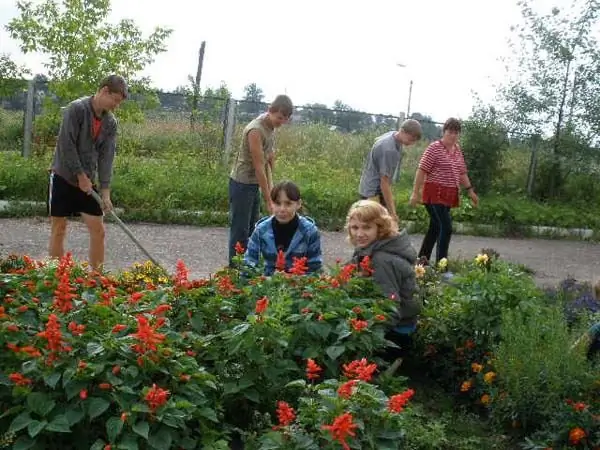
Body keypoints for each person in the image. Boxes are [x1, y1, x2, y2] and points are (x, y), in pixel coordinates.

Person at [48, 74, 128, 270]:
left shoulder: (110, 123)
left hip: (87, 184)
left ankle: (96, 279)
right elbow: (67, 146)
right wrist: (80, 176)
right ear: (104, 91)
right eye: (115, 100)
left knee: (98, 230)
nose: (116, 106)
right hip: (63, 177)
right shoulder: (76, 109)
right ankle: (56, 277)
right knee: (59, 228)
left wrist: (105, 191)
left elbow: (106, 157)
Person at [345, 199, 421, 372]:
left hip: (396, 332)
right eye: (355, 228)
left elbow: (391, 306)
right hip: (389, 322)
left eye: (366, 227)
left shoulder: (381, 259)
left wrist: (367, 335)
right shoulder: (370, 248)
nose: (359, 233)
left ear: (380, 227)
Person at [228, 95, 294, 266]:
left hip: (254, 183)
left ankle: (248, 265)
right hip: (242, 183)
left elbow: (269, 155)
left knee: (252, 227)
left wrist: (274, 187)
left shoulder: (271, 126)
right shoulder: (255, 130)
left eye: (286, 119)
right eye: (280, 117)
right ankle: (234, 269)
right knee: (240, 230)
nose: (282, 121)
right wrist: (269, 199)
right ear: (270, 110)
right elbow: (258, 167)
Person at [409, 117, 478, 265]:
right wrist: (415, 192)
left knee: (435, 227)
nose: (453, 135)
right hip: (434, 193)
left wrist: (470, 191)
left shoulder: (457, 150)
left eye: (456, 132)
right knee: (445, 227)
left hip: (449, 194)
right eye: (450, 131)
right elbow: (421, 170)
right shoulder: (434, 148)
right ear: (444, 131)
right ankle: (442, 266)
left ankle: (421, 261)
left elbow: (462, 172)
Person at [243, 181, 322, 276]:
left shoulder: (310, 232)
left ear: (298, 204)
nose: (282, 209)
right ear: (271, 204)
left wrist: (293, 280)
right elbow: (248, 265)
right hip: (265, 286)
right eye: (277, 203)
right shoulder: (261, 231)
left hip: (299, 287)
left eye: (288, 204)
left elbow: (315, 270)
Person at [358, 119, 423, 224]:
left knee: (377, 228)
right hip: (373, 193)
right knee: (376, 228)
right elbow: (384, 182)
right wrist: (392, 212)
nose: (411, 143)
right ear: (402, 131)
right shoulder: (389, 149)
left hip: (369, 187)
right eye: (410, 139)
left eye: (414, 141)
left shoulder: (393, 135)